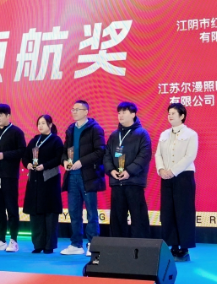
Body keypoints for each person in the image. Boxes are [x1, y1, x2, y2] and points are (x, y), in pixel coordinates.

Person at [60, 100, 106, 256]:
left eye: (77, 109)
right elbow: (64, 151)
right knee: (74, 211)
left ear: (86, 112)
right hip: (72, 176)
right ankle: (76, 244)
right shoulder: (70, 129)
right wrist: (64, 161)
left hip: (88, 176)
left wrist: (81, 162)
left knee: (91, 212)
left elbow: (100, 151)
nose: (74, 112)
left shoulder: (95, 129)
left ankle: (93, 244)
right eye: (72, 109)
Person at [156, 102, 198, 262]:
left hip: (183, 177)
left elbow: (190, 156)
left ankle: (184, 248)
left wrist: (173, 171)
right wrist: (161, 170)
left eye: (173, 113)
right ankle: (172, 246)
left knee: (184, 212)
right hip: (166, 177)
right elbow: (158, 154)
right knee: (168, 212)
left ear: (182, 116)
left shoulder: (191, 134)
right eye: (169, 113)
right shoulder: (164, 134)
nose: (170, 116)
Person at [104, 102, 152, 239]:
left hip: (134, 182)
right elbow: (107, 155)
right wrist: (111, 171)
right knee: (117, 217)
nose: (120, 115)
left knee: (138, 216)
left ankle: (140, 246)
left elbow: (144, 156)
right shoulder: (114, 135)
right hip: (116, 181)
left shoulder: (142, 134)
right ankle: (118, 246)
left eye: (124, 112)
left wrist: (129, 171)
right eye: (119, 113)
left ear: (133, 114)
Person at [0, 104, 26, 252]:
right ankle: (1, 239)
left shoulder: (16, 132)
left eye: (1, 115)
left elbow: (22, 151)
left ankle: (14, 240)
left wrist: (4, 155)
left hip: (9, 176)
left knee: (11, 208)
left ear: (8, 116)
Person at [24, 115, 64, 254]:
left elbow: (59, 158)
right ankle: (38, 244)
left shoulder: (56, 140)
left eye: (43, 123)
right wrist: (28, 164)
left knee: (50, 213)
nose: (40, 126)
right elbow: (25, 156)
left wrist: (45, 165)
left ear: (50, 125)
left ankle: (49, 245)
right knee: (36, 213)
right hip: (35, 180)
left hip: (49, 180)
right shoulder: (34, 140)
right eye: (39, 123)